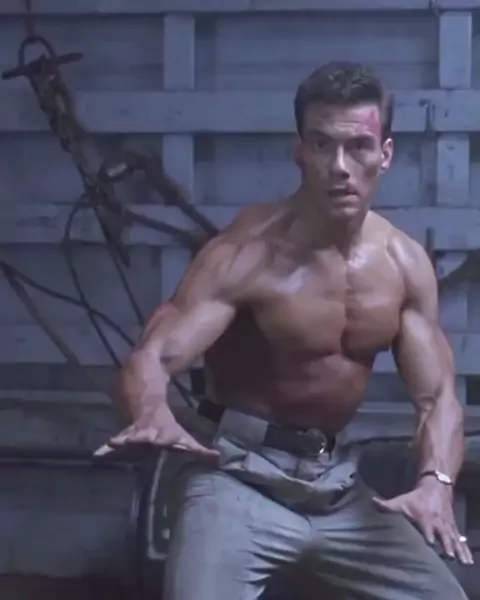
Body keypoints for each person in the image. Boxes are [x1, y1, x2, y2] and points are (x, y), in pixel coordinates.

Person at [96, 61, 473, 599]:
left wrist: (436, 483)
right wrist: (150, 408)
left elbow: (438, 398)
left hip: (335, 487)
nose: (340, 167)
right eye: (322, 145)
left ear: (385, 154)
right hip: (237, 478)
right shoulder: (248, 252)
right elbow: (154, 355)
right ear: (299, 152)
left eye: (359, 147)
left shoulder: (404, 265)